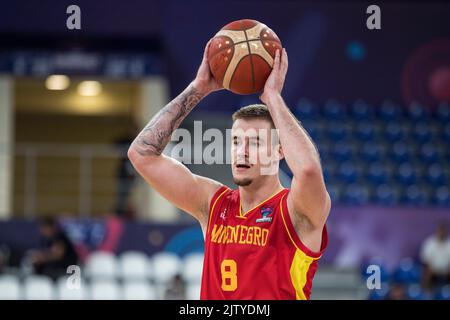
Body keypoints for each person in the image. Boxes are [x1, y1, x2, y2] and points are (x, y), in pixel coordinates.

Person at [128, 42, 330, 300]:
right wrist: (197, 89)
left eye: (255, 142)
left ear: (280, 151)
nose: (241, 151)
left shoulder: (296, 209)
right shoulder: (213, 203)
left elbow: (310, 170)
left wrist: (273, 98)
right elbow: (142, 154)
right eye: (236, 142)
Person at [420, 223, 450, 290]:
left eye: (444, 231)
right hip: (433, 269)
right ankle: (427, 295)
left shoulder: (449, 243)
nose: (442, 233)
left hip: (447, 269)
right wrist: (432, 269)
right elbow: (425, 260)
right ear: (437, 231)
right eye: (440, 231)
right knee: (427, 272)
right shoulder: (430, 243)